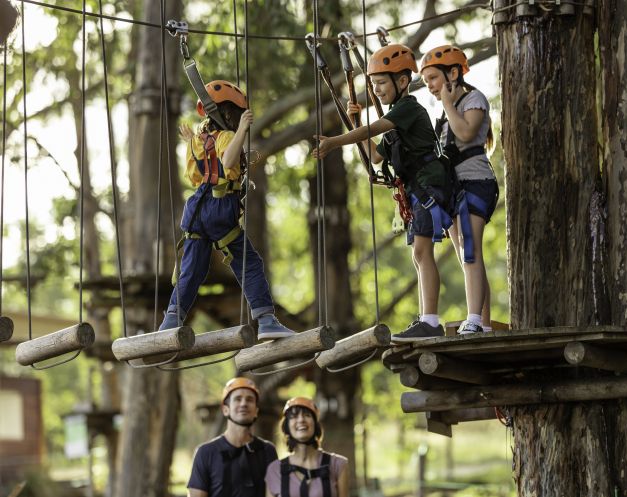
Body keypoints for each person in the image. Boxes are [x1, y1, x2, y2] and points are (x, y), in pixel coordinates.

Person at [313, 44, 453, 342]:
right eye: (373, 84)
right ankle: (426, 318)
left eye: (381, 83)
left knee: (422, 251)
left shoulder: (408, 109)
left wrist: (335, 141)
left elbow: (371, 131)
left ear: (402, 82)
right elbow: (376, 156)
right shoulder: (395, 121)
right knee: (419, 253)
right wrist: (356, 123)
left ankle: (430, 320)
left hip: (428, 184)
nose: (376, 90)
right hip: (416, 188)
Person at [160, 80, 294, 340]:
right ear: (230, 114)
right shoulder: (228, 136)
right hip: (220, 209)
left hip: (197, 209)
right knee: (248, 262)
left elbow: (195, 176)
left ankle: (171, 319)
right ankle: (266, 320)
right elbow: (229, 160)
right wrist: (242, 130)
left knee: (193, 269)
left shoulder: (199, 141)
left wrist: (191, 142)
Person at [420, 45, 499, 334]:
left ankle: (475, 320)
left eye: (433, 78)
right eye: (426, 81)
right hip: (454, 190)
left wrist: (448, 104)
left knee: (471, 251)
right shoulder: (445, 113)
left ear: (453, 73)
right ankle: (485, 323)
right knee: (467, 254)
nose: (429, 86)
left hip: (476, 183)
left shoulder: (472, 98)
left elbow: (466, 133)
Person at [187, 377, 278, 497]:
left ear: (256, 411)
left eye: (249, 400)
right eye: (238, 399)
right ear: (225, 410)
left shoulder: (267, 451)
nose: (244, 403)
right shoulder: (205, 453)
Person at [265, 397, 349, 497]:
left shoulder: (338, 465)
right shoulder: (274, 470)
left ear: (315, 424)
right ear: (287, 427)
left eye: (307, 415)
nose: (301, 420)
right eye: (294, 416)